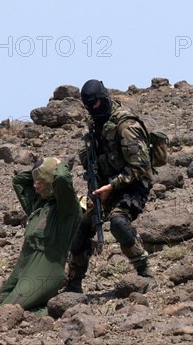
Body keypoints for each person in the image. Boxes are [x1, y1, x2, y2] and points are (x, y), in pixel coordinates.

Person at [66, 79, 154, 293]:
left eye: (95, 104)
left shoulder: (126, 125)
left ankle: (144, 271)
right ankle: (74, 283)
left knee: (118, 222)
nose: (93, 109)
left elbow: (141, 165)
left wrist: (112, 187)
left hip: (132, 184)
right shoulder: (95, 123)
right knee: (79, 224)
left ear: (104, 98)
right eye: (88, 106)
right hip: (102, 187)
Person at [0, 157, 82, 315]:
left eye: (40, 183)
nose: (36, 187)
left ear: (50, 182)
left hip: (45, 271)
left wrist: (60, 165)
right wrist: (41, 168)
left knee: (6, 312)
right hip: (23, 268)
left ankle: (51, 311)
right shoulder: (39, 205)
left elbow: (61, 178)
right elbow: (18, 181)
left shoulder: (67, 210)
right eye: (35, 182)